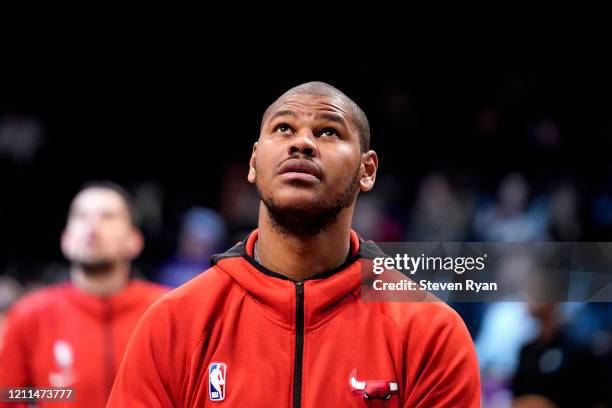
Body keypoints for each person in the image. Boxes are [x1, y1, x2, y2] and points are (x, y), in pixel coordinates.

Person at [108, 82, 480, 407]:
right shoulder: (174, 323)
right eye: (284, 128)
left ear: (367, 170)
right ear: (254, 162)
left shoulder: (431, 331)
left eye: (329, 132)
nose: (302, 142)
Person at [0, 181, 167, 408]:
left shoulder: (165, 311)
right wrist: (52, 395)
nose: (92, 226)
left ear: (134, 241)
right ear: (65, 240)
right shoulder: (30, 314)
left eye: (108, 216)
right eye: (81, 216)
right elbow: (8, 395)